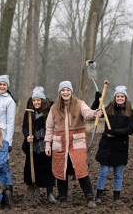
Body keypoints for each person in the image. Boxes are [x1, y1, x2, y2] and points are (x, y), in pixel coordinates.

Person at [44, 81, 102, 209]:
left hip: (77, 144)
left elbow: (87, 113)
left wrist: (94, 113)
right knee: (61, 172)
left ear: (71, 92)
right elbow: (49, 127)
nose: (65, 92)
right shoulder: (54, 108)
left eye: (68, 90)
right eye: (63, 90)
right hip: (60, 144)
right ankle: (63, 197)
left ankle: (90, 197)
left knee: (81, 170)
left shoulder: (80, 104)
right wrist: (48, 145)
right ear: (60, 92)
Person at [91, 86, 133, 203]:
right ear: (115, 97)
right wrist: (97, 100)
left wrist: (114, 132)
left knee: (118, 174)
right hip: (106, 146)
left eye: (122, 96)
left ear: (125, 97)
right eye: (118, 96)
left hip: (120, 147)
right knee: (103, 173)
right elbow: (94, 112)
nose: (120, 98)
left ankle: (116, 198)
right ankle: (99, 196)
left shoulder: (130, 112)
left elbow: (130, 129)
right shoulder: (108, 109)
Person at [22, 87, 56, 202]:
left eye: (38, 100)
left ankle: (50, 193)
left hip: (47, 143)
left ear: (43, 100)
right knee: (34, 169)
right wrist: (27, 135)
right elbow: (25, 126)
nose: (36, 102)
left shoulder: (50, 110)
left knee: (49, 169)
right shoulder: (29, 111)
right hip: (33, 144)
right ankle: (37, 191)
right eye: (34, 100)